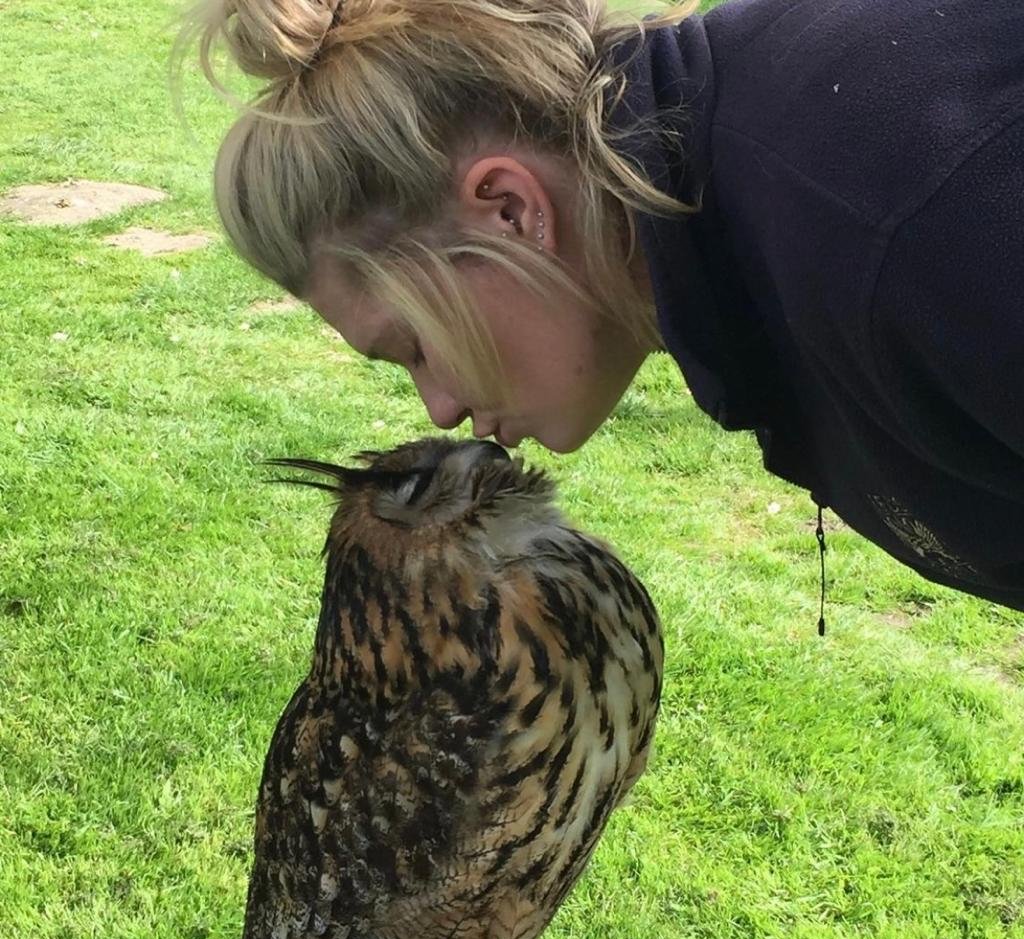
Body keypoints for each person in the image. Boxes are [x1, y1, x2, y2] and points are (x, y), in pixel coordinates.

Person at [182, 0, 1024, 613]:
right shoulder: (745, 201)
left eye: (412, 346)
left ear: (511, 211)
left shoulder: (900, 225)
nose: (438, 406)